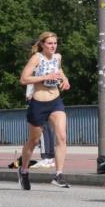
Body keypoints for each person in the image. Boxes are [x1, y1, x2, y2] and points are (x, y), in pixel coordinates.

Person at [18, 32, 70, 189]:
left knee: (61, 136)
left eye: (55, 43)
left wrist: (65, 80)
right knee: (33, 141)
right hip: (38, 103)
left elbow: (59, 72)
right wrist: (44, 76)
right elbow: (23, 79)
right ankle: (24, 170)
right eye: (49, 43)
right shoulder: (36, 58)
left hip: (55, 101)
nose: (53, 46)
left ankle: (58, 174)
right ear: (42, 44)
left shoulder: (58, 57)